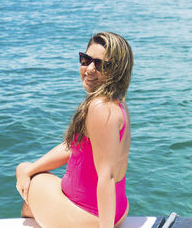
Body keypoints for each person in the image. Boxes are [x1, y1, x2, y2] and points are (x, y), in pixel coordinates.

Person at [16, 32, 134, 228]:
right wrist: (33, 168)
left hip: (90, 216)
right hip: (118, 210)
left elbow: (107, 176)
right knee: (29, 172)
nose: (89, 69)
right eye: (86, 60)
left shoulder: (100, 108)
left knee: (22, 170)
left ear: (117, 70)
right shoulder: (117, 103)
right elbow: (73, 146)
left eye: (100, 64)